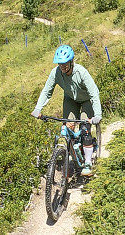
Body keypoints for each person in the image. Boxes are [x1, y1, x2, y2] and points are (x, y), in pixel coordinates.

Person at [31, 45, 102, 176]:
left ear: (71, 62)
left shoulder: (81, 72)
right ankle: (70, 160)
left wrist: (97, 114)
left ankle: (87, 162)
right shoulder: (56, 73)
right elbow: (47, 91)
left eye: (65, 64)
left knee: (85, 127)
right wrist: (37, 108)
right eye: (60, 64)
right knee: (67, 127)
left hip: (87, 99)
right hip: (70, 99)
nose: (62, 67)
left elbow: (93, 94)